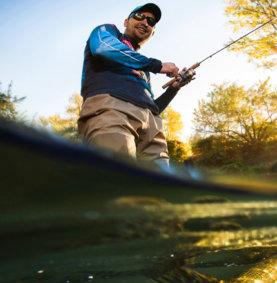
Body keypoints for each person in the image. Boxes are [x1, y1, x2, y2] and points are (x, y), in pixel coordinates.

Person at [77, 3, 195, 168]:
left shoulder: (144, 70)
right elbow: (103, 48)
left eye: (151, 22)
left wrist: (174, 88)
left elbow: (153, 107)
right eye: (139, 16)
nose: (145, 22)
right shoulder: (108, 31)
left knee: (158, 187)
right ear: (126, 21)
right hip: (112, 109)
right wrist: (157, 65)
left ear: (152, 33)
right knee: (117, 177)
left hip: (153, 128)